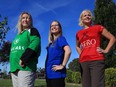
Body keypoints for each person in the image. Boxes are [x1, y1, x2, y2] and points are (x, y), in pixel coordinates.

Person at [76, 9, 115, 87]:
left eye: (89, 15)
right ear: (82, 19)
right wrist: (82, 54)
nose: (87, 16)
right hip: (84, 62)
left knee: (97, 85)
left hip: (96, 60)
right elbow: (77, 46)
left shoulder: (98, 27)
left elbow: (112, 38)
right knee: (86, 85)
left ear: (91, 18)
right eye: (85, 15)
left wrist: (106, 50)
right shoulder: (78, 33)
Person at [10, 12, 41, 87]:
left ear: (30, 20)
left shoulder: (32, 30)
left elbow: (35, 44)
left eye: (27, 18)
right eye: (23, 18)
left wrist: (24, 58)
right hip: (14, 68)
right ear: (20, 21)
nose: (25, 19)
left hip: (26, 67)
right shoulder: (18, 35)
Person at [45, 20, 71, 87]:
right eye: (52, 26)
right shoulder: (51, 43)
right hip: (49, 74)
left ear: (60, 28)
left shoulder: (60, 39)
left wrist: (62, 65)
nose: (54, 27)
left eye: (56, 25)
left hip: (57, 75)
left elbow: (68, 51)